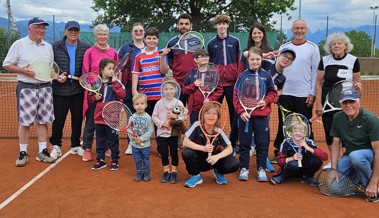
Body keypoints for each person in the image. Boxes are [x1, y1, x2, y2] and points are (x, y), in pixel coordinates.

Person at [3, 17, 56, 166]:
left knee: (43, 121)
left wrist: (57, 76)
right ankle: (23, 153)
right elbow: (7, 64)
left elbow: (50, 68)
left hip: (45, 87)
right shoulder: (19, 44)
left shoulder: (48, 47)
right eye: (38, 27)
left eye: (43, 28)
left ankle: (42, 151)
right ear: (29, 29)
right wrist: (22, 71)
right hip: (26, 88)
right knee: (25, 123)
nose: (41, 30)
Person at [272, 19, 320, 164]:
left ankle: (307, 152)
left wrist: (312, 93)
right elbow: (277, 69)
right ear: (292, 30)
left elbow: (315, 73)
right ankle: (280, 152)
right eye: (296, 28)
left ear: (306, 30)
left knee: (304, 125)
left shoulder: (313, 48)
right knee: (284, 124)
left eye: (302, 28)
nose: (299, 30)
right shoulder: (284, 47)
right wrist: (275, 91)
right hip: (285, 94)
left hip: (304, 95)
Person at [314, 32, 362, 169]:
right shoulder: (325, 60)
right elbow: (318, 83)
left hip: (346, 102)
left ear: (345, 46)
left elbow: (357, 83)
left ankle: (345, 162)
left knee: (347, 132)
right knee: (330, 132)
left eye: (339, 43)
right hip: (327, 103)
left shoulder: (353, 60)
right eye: (333, 44)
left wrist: (358, 88)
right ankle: (334, 161)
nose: (336, 46)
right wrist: (319, 104)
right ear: (330, 47)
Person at [233, 47, 277, 182]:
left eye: (258, 59)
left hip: (262, 117)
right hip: (246, 116)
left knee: (262, 144)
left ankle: (261, 169)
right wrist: (241, 111)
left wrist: (266, 101)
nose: (255, 62)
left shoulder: (267, 75)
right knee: (244, 144)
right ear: (248, 60)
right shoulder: (242, 76)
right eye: (252, 59)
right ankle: (244, 168)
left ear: (261, 60)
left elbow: (273, 93)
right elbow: (236, 96)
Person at [49, 21, 90, 159]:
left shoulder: (85, 47)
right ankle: (56, 145)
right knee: (58, 120)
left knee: (77, 120)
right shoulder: (55, 46)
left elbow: (88, 67)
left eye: (76, 30)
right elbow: (49, 67)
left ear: (79, 32)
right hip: (59, 90)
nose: (73, 32)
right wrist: (56, 77)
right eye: (70, 30)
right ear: (65, 31)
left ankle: (76, 145)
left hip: (78, 90)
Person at [329, 89, 379, 203]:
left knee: (355, 156)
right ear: (341, 104)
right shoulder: (337, 118)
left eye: (352, 102)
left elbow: (378, 152)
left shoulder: (371, 120)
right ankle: (357, 177)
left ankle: (370, 187)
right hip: (349, 157)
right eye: (345, 102)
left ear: (358, 102)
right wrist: (333, 169)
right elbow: (336, 143)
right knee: (334, 188)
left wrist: (374, 181)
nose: (348, 105)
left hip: (368, 157)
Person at [82, 24, 118, 162]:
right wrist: (93, 89)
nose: (102, 36)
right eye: (99, 34)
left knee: (108, 122)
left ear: (108, 36)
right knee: (91, 121)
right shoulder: (89, 52)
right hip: (94, 91)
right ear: (95, 36)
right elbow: (85, 72)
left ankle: (108, 147)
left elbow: (115, 71)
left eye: (104, 34)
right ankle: (87, 148)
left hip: (109, 91)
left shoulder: (113, 52)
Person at [182, 102, 239, 188]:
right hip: (199, 159)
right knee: (186, 153)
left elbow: (229, 148)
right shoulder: (197, 125)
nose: (211, 116)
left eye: (214, 114)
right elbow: (185, 142)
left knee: (235, 164)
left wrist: (217, 157)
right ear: (203, 115)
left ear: (218, 117)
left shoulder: (219, 130)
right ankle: (196, 175)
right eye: (208, 113)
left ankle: (218, 171)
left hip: (214, 160)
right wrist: (203, 148)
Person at [207, 14, 240, 152]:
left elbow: (238, 61)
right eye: (219, 23)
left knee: (235, 114)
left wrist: (237, 77)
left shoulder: (235, 41)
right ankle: (212, 140)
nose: (221, 26)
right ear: (216, 26)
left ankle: (233, 143)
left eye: (224, 23)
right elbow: (209, 65)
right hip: (217, 85)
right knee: (213, 113)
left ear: (227, 25)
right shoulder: (211, 44)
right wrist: (211, 84)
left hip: (232, 84)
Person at [89, 58, 126, 171]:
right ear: (102, 69)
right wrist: (95, 98)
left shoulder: (116, 82)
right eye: (109, 69)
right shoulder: (96, 83)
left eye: (113, 69)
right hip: (99, 117)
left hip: (112, 117)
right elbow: (90, 98)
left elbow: (122, 94)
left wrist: (115, 83)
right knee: (100, 140)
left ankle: (115, 160)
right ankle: (101, 160)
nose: (112, 71)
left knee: (112, 139)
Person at [270, 121, 328, 186]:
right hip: (291, 169)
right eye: (295, 131)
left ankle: (307, 177)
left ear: (305, 134)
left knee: (316, 161)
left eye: (301, 131)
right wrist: (292, 158)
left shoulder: (309, 142)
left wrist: (308, 148)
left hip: (304, 169)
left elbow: (325, 157)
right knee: (293, 164)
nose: (298, 133)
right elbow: (279, 161)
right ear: (290, 132)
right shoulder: (286, 142)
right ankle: (283, 176)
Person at [118, 22, 145, 155]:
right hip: (129, 86)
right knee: (130, 116)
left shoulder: (150, 47)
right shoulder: (125, 48)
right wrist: (121, 85)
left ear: (144, 32)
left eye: (141, 30)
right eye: (136, 31)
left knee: (145, 115)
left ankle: (143, 141)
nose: (138, 32)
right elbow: (120, 67)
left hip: (146, 86)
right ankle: (131, 143)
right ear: (132, 33)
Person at [152, 79, 187, 184]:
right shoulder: (159, 103)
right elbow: (154, 116)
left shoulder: (179, 102)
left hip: (174, 134)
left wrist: (176, 116)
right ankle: (166, 171)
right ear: (162, 90)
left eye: (171, 89)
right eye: (166, 89)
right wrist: (162, 123)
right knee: (164, 153)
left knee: (174, 153)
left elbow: (184, 115)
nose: (169, 91)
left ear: (175, 89)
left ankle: (174, 172)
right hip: (162, 134)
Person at [132, 27, 170, 116]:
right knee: (145, 123)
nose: (151, 41)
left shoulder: (162, 53)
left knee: (160, 123)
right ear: (145, 39)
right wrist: (134, 91)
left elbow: (164, 71)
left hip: (160, 95)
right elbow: (135, 73)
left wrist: (161, 57)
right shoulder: (139, 55)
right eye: (149, 38)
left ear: (158, 39)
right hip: (144, 97)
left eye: (154, 38)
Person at [182, 49, 223, 124]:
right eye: (202, 56)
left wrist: (210, 99)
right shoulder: (191, 73)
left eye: (206, 56)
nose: (205, 58)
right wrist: (193, 85)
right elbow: (184, 90)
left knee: (209, 129)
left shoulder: (213, 73)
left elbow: (220, 90)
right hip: (195, 109)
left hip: (209, 108)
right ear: (195, 59)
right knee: (195, 129)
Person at [269, 48, 297, 159]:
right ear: (279, 55)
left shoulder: (282, 78)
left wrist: (276, 95)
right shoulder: (266, 64)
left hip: (264, 106)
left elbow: (280, 90)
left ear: (291, 63)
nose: (286, 59)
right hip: (249, 101)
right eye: (285, 56)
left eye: (290, 59)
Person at [166, 13, 197, 105]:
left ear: (191, 25)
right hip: (178, 84)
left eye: (186, 24)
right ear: (177, 25)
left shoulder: (198, 42)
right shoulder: (171, 43)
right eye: (181, 24)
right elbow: (170, 63)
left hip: (194, 83)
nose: (184, 26)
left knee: (194, 113)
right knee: (177, 113)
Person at [129, 93, 154, 181]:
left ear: (146, 105)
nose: (139, 106)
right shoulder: (132, 117)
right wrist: (133, 138)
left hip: (145, 145)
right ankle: (139, 173)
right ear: (134, 106)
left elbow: (150, 130)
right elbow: (128, 129)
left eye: (142, 104)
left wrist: (141, 139)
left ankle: (146, 173)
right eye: (137, 104)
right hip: (134, 144)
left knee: (146, 159)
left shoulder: (148, 117)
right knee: (137, 160)